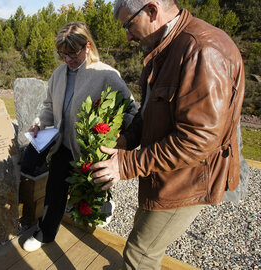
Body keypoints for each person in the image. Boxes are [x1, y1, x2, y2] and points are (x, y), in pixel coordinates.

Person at [90, 0, 245, 268]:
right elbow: (150, 109)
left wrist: (127, 163)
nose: (128, 36)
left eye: (129, 24)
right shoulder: (165, 47)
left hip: (186, 179)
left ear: (151, 10)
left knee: (140, 254)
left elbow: (198, 141)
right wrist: (127, 139)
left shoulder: (202, 50)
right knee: (144, 236)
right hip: (164, 172)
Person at [21, 21, 138, 252]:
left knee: (91, 192)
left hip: (90, 151)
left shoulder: (106, 74)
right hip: (62, 145)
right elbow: (49, 106)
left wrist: (115, 138)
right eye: (62, 54)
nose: (67, 60)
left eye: (72, 53)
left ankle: (104, 205)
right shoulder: (58, 74)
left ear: (87, 46)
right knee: (54, 190)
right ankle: (45, 233)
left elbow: (131, 110)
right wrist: (39, 125)